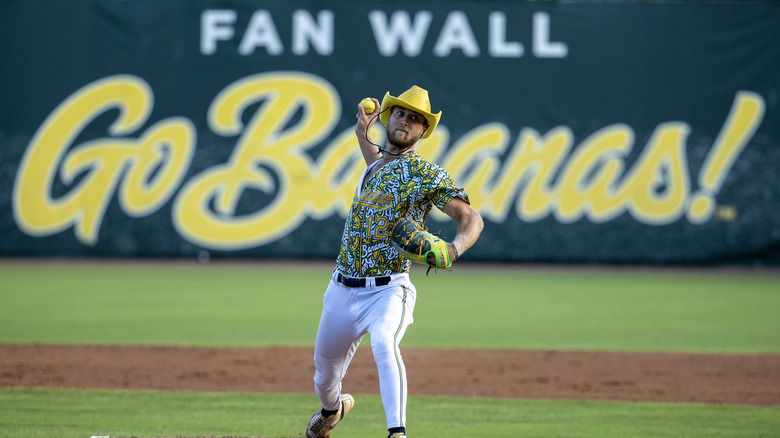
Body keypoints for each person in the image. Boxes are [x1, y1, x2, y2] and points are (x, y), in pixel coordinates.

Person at [305, 85, 483, 438]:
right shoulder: (378, 166)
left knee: (385, 342)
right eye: (401, 112)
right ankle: (332, 410)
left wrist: (453, 249)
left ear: (423, 131)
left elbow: (471, 218)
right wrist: (361, 133)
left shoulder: (424, 174)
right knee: (324, 377)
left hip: (387, 291)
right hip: (341, 288)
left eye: (415, 118)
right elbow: (381, 163)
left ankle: (397, 433)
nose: (406, 120)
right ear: (389, 116)